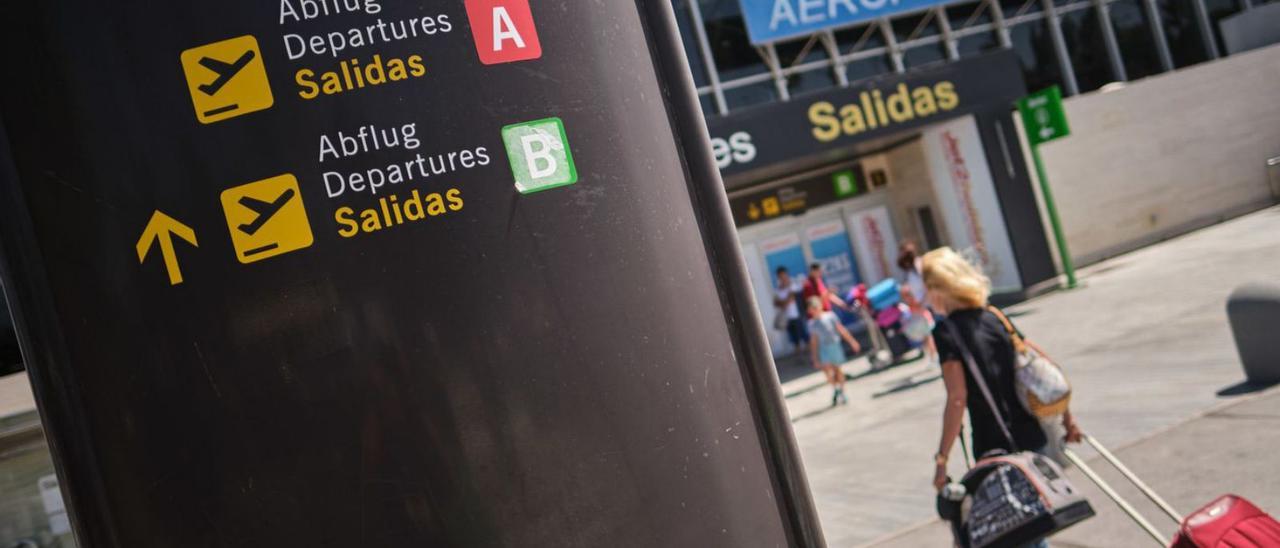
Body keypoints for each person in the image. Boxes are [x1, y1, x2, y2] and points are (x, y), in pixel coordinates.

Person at [924, 248, 1081, 508]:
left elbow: (957, 398)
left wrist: (942, 460)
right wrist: (1068, 419)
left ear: (937, 289)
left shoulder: (946, 332)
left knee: (1017, 524)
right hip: (1034, 437)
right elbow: (1044, 368)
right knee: (1042, 515)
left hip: (994, 447)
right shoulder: (994, 316)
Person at [807, 297, 862, 406]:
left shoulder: (830, 316)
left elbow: (841, 330)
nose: (815, 310)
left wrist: (852, 342)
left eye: (816, 307)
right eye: (812, 309)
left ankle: (842, 391)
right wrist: (815, 357)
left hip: (834, 345)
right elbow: (814, 341)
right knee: (827, 370)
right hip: (823, 348)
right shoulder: (812, 324)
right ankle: (835, 388)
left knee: (838, 369)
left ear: (820, 306)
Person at [773, 267, 808, 355]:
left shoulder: (795, 285)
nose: (783, 278)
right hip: (788, 318)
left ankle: (811, 357)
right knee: (795, 341)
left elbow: (798, 296)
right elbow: (776, 302)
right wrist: (787, 300)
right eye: (780, 276)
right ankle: (799, 358)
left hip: (799, 316)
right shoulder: (778, 290)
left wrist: (785, 300)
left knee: (805, 337)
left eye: (784, 275)